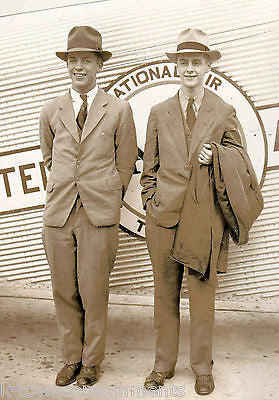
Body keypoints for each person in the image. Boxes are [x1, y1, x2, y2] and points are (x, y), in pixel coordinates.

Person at [141, 28, 263, 395]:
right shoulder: (158, 111)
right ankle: (162, 366)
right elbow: (149, 167)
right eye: (184, 62)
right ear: (176, 67)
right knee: (164, 296)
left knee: (202, 297)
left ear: (208, 66)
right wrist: (152, 201)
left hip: (205, 221)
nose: (190, 68)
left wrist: (218, 155)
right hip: (163, 220)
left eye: (196, 62)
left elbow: (242, 160)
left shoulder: (224, 110)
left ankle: (202, 368)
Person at [40, 26, 137, 388]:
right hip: (59, 215)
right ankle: (71, 359)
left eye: (86, 60)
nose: (78, 66)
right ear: (67, 64)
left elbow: (126, 162)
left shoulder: (119, 109)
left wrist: (107, 192)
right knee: (64, 290)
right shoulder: (51, 110)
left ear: (99, 64)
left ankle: (92, 363)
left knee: (94, 292)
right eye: (73, 60)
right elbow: (50, 157)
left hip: (99, 214)